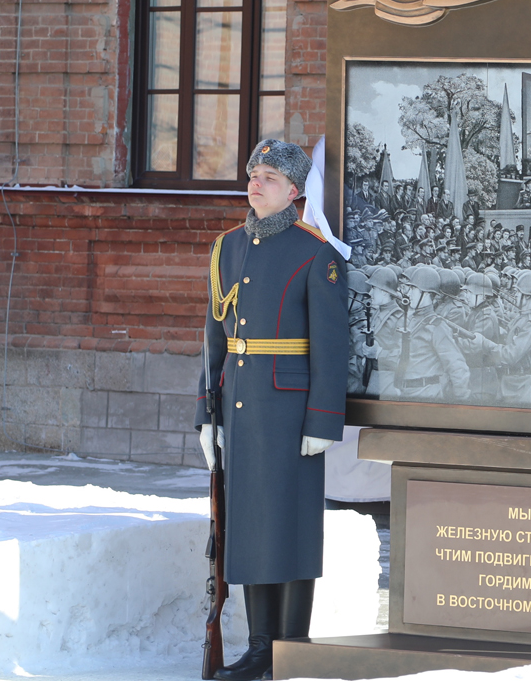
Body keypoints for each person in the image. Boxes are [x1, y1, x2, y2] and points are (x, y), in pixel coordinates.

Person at [196, 139, 348, 681]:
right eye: (253, 173)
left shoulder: (316, 253)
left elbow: (332, 347)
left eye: (268, 177)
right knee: (251, 527)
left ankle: (290, 649)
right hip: (240, 407)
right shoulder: (228, 248)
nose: (255, 183)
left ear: (294, 192)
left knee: (290, 526)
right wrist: (207, 416)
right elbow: (216, 338)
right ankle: (260, 648)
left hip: (291, 412)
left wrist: (324, 420)